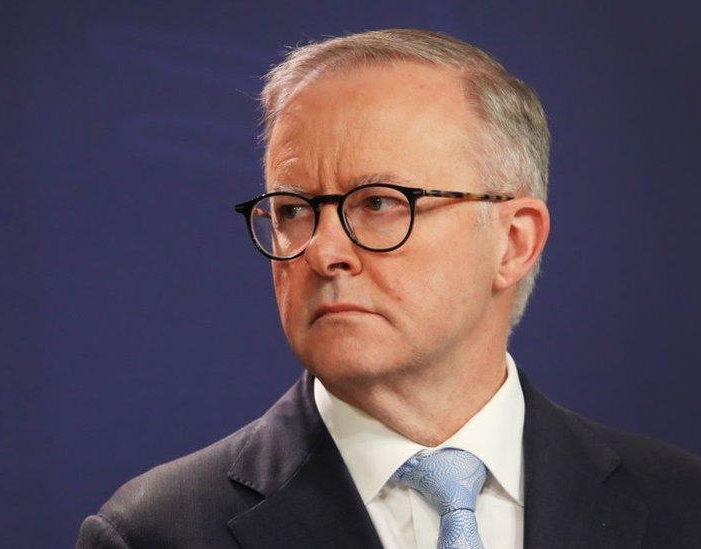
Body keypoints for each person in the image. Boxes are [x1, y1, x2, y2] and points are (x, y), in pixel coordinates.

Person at [77, 29, 701, 548]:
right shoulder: (157, 533)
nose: (321, 250)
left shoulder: (680, 505)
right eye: (293, 209)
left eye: (378, 202)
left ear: (513, 241)